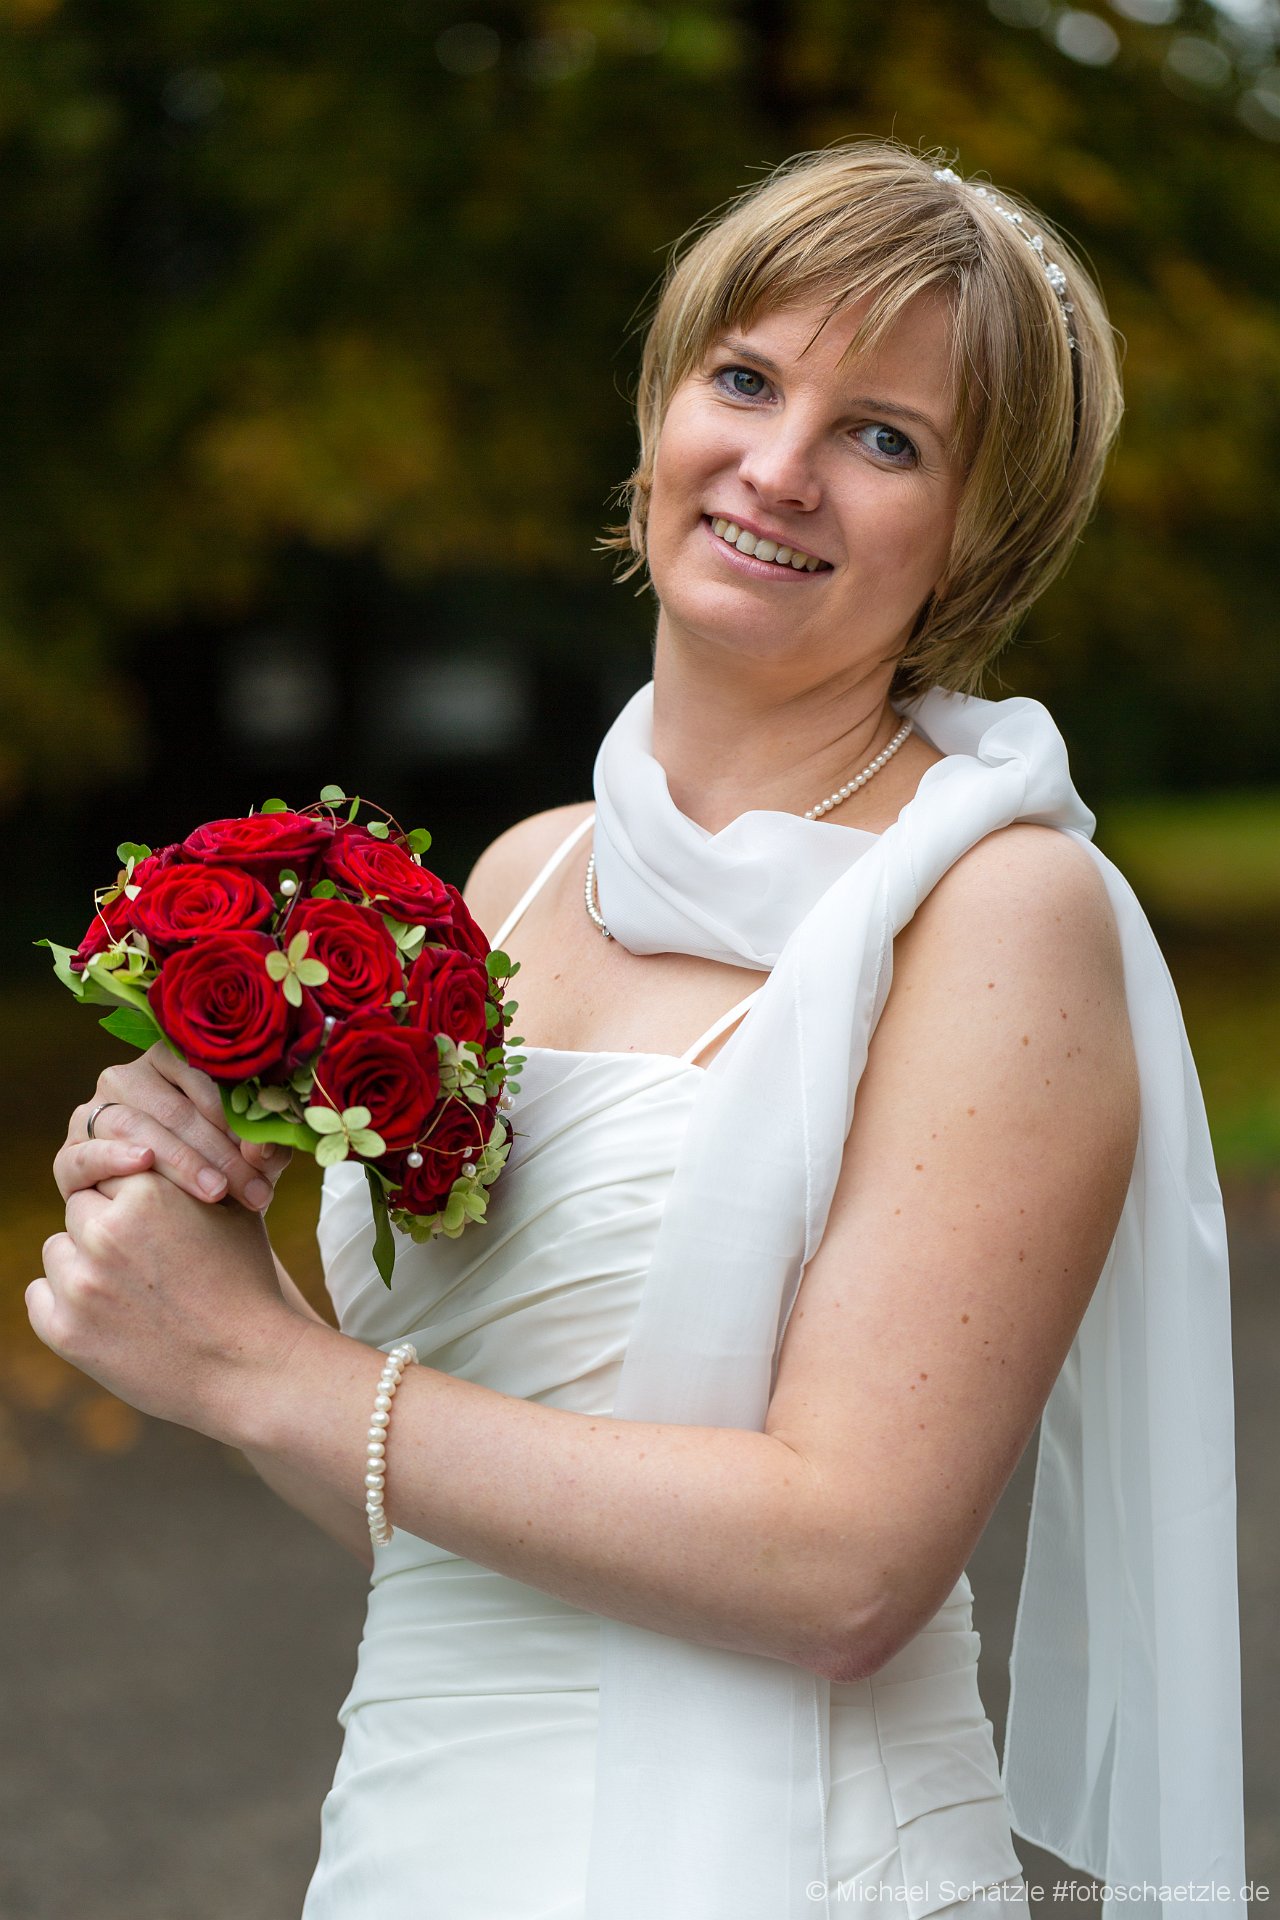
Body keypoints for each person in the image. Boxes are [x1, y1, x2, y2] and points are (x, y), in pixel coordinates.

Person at [31, 141, 1245, 1919]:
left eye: (884, 437)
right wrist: (209, 1288)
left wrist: (261, 1368)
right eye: (745, 380)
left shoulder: (999, 914)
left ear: (979, 533)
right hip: (417, 1850)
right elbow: (438, 1513)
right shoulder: (522, 880)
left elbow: (846, 1567)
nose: (780, 467)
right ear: (663, 409)